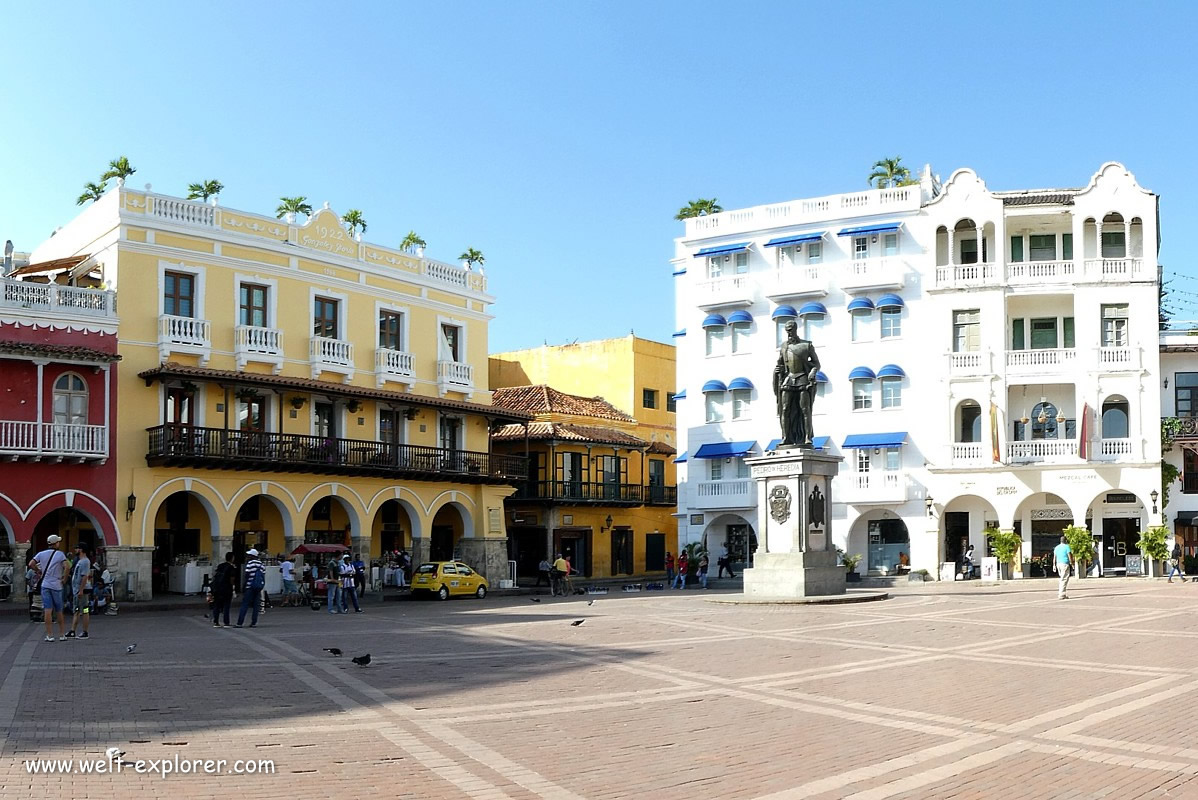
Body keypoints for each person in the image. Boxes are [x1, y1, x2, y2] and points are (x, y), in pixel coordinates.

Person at [773, 319, 821, 448]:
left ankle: (807, 437)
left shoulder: (807, 345)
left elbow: (816, 363)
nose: (789, 332)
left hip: (802, 378)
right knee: (785, 409)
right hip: (788, 379)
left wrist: (812, 372)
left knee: (805, 409)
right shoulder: (784, 346)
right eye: (787, 330)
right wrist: (778, 370)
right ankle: (786, 437)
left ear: (795, 329)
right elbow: (781, 364)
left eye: (791, 330)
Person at [29, 534, 69, 642]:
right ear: (56, 543)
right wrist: (64, 579)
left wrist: (38, 571)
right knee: (59, 610)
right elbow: (67, 567)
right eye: (58, 542)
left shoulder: (41, 554)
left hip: (45, 585)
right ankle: (61, 634)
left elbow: (31, 563)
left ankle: (50, 635)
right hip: (57, 585)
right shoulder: (60, 555)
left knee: (47, 610)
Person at [65, 544, 93, 640]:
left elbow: (84, 576)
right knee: (76, 610)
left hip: (82, 590)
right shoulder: (80, 561)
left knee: (84, 610)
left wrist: (81, 590)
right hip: (77, 590)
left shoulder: (85, 562)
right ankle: (73, 630)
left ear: (81, 550)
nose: (75, 550)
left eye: (77, 548)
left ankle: (84, 631)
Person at [235, 548, 265, 628]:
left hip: (249, 586)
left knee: (245, 604)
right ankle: (254, 622)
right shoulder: (261, 564)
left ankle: (240, 623)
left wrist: (244, 586)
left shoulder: (250, 563)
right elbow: (263, 575)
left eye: (249, 555)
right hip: (258, 587)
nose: (248, 556)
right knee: (256, 605)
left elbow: (247, 575)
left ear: (252, 556)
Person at [210, 551, 236, 627]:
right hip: (227, 588)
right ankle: (226, 623)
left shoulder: (220, 566)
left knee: (217, 605)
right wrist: (233, 588)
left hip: (217, 588)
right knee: (226, 606)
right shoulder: (231, 567)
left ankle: (216, 622)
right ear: (232, 558)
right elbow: (232, 579)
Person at [1054, 535, 1075, 600]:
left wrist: (1054, 565)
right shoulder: (1067, 547)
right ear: (1065, 541)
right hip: (1065, 564)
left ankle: (1062, 593)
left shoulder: (1057, 547)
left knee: (1062, 578)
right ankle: (1061, 594)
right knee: (1064, 579)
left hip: (1058, 564)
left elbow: (1055, 557)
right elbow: (1069, 556)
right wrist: (1072, 564)